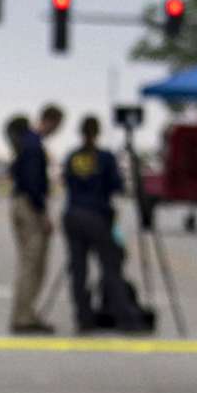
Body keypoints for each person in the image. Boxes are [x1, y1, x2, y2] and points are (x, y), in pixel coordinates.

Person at [60, 114, 130, 331]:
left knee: (78, 271)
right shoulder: (105, 158)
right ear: (97, 132)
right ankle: (124, 317)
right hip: (96, 216)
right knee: (110, 267)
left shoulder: (72, 157)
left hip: (73, 215)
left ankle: (83, 318)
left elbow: (66, 182)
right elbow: (117, 186)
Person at [8, 103, 63, 332]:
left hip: (21, 203)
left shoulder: (27, 143)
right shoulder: (33, 145)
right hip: (29, 206)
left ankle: (26, 312)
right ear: (50, 121)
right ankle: (23, 317)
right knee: (33, 263)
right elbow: (32, 183)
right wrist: (42, 214)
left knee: (29, 263)